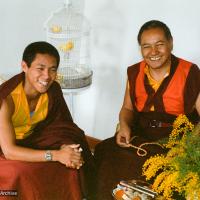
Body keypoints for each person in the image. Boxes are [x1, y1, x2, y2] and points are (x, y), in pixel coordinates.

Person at [94, 20, 200, 200]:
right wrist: (125, 126)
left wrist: (187, 147)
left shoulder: (189, 72)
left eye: (160, 45)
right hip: (141, 133)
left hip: (177, 138)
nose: (154, 52)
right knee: (106, 152)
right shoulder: (135, 72)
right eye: (147, 46)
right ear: (141, 49)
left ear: (171, 43)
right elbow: (127, 108)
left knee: (154, 171)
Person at [0, 41, 95, 200]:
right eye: (40, 69)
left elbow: (62, 126)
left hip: (33, 139)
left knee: (69, 162)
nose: (47, 76)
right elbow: (10, 151)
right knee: (21, 173)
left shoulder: (53, 90)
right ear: (24, 66)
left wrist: (66, 148)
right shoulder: (6, 100)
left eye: (52, 70)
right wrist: (56, 155)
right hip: (5, 148)